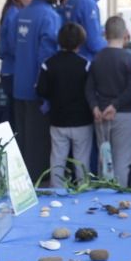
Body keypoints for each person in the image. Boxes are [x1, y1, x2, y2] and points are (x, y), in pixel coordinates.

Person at [11, 0, 61, 183]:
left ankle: (22, 184)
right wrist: (47, 91)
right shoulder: (49, 16)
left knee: (23, 139)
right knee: (39, 143)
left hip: (19, 85)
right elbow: (47, 56)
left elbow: (14, 48)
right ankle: (36, 186)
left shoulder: (21, 14)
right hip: (37, 89)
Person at [35, 22, 93, 182]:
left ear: (59, 41)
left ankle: (57, 194)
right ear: (81, 42)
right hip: (82, 121)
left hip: (58, 120)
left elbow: (41, 90)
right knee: (82, 162)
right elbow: (91, 91)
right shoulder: (85, 65)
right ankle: (83, 192)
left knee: (57, 160)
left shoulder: (49, 64)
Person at [87, 16, 131, 185]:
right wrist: (115, 105)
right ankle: (117, 201)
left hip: (101, 115)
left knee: (104, 162)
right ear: (125, 34)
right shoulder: (129, 58)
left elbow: (88, 87)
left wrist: (94, 107)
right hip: (124, 115)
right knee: (121, 163)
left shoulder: (97, 58)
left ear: (105, 34)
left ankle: (103, 199)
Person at [0, 0, 32, 101]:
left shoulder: (17, 13)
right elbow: (14, 46)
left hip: (13, 72)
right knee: (15, 117)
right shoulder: (14, 15)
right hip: (13, 72)